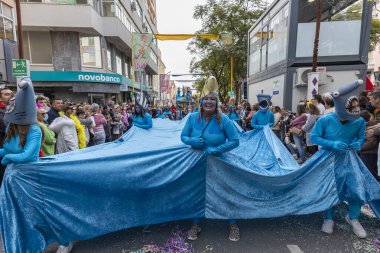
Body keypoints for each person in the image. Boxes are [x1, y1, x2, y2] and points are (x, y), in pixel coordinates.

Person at [181, 76, 240, 241]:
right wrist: (192, 140)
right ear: (201, 102)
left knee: (225, 192)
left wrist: (217, 149)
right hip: (196, 163)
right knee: (197, 193)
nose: (208, 102)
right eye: (205, 99)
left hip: (219, 163)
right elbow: (183, 136)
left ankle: (233, 224)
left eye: (212, 99)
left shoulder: (225, 119)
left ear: (216, 102)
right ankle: (196, 223)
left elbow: (235, 141)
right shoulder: (193, 118)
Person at [311, 80, 367, 239]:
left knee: (357, 188)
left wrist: (358, 143)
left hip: (350, 159)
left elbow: (361, 137)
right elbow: (315, 137)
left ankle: (353, 218)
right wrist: (332, 143)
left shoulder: (359, 121)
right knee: (329, 188)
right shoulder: (325, 120)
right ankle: (328, 218)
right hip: (328, 159)